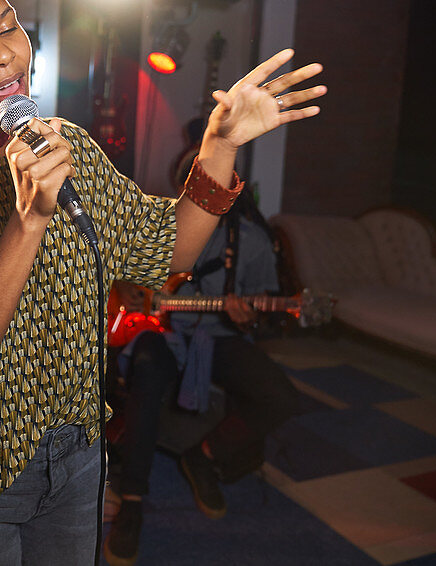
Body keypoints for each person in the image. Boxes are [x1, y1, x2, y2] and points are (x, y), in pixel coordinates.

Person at [0, 0, 325, 565]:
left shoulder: (69, 146)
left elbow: (166, 250)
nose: (3, 57)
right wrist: (28, 221)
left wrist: (219, 145)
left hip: (76, 458)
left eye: (9, 28)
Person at [104, 190, 300, 566]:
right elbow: (113, 266)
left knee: (282, 397)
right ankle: (132, 500)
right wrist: (124, 285)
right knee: (147, 368)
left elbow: (264, 309)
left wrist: (250, 317)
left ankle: (204, 456)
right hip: (160, 334)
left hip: (218, 337)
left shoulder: (253, 242)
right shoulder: (158, 225)